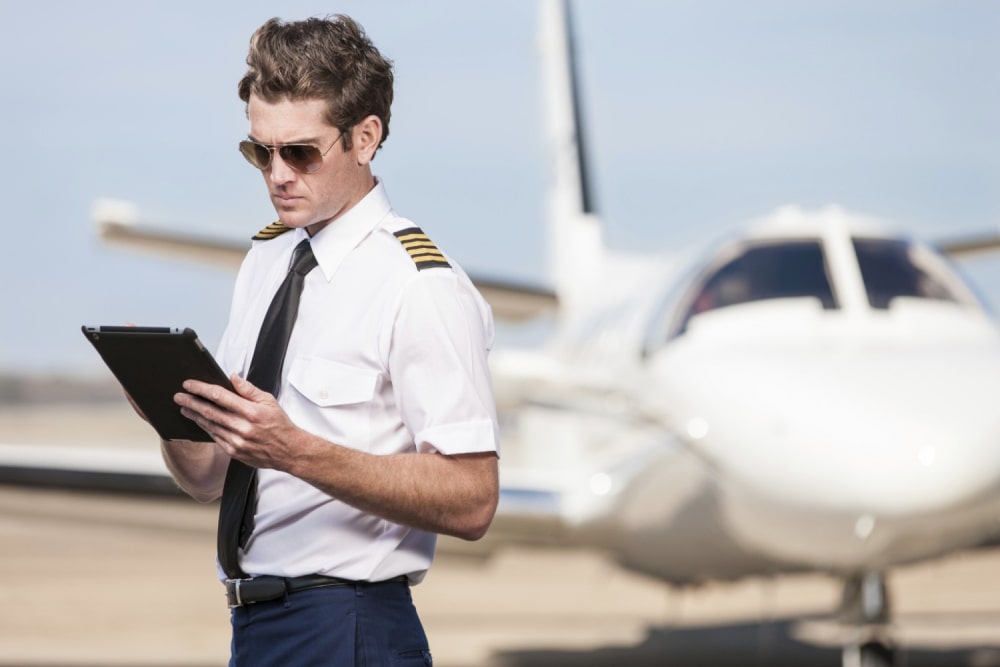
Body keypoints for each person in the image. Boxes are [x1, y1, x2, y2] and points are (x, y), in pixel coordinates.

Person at [161, 14, 500, 666]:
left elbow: (474, 498)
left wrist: (294, 449)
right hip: (256, 625)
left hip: (350, 626)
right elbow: (207, 479)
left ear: (365, 137)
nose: (277, 174)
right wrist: (165, 411)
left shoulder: (418, 283)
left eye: (300, 152)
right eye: (260, 151)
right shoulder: (267, 261)